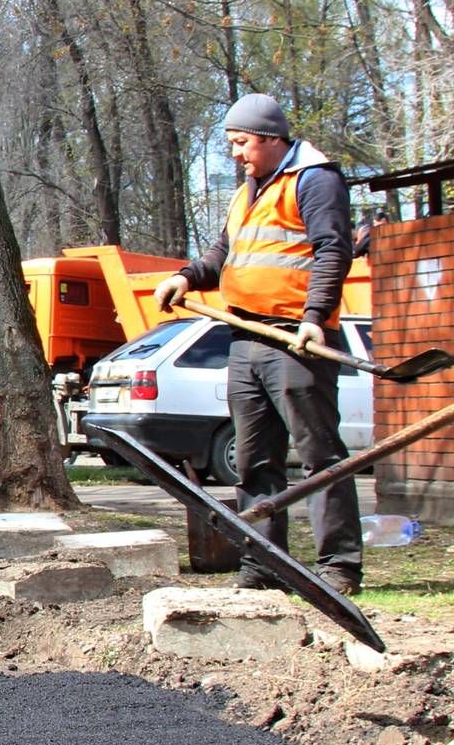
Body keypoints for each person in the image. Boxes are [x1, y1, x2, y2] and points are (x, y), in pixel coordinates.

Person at [154, 93, 362, 596]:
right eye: (230, 144)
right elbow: (224, 253)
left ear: (271, 139)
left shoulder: (315, 179)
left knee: (320, 456)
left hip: (294, 339)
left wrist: (314, 319)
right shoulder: (248, 190)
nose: (235, 154)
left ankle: (340, 565)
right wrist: (187, 277)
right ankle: (265, 565)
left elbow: (333, 250)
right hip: (245, 337)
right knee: (253, 461)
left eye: (242, 143)